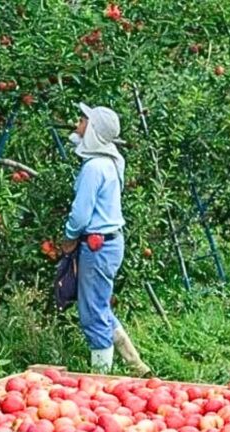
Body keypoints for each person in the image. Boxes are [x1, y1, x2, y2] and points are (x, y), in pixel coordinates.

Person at [61, 103, 151, 376]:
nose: (77, 124)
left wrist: (69, 236)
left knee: (92, 313)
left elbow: (81, 213)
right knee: (98, 304)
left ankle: (100, 379)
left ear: (94, 131)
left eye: (83, 121)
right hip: (111, 243)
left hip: (96, 246)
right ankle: (135, 364)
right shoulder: (112, 160)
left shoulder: (94, 167)